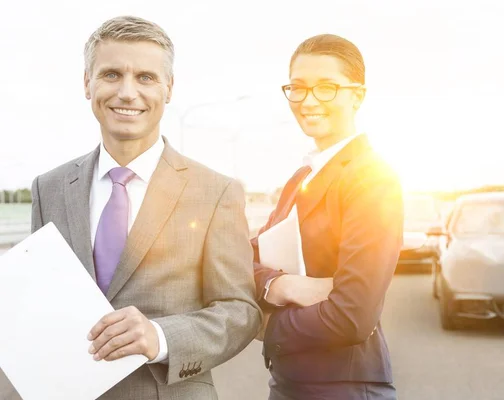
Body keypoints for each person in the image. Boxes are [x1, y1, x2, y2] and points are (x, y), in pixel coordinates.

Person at [0, 16, 261, 400]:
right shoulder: (49, 187)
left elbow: (241, 313)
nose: (126, 92)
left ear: (169, 88)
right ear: (87, 84)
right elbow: (42, 300)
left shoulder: (217, 191)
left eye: (145, 77)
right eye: (110, 74)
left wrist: (160, 336)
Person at [253, 34, 404, 400]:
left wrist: (267, 323)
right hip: (291, 382)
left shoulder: (371, 178)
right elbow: (247, 256)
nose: (308, 101)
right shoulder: (301, 177)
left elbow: (352, 317)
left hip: (343, 387)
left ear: (358, 95)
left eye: (326, 88)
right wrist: (282, 284)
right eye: (298, 88)